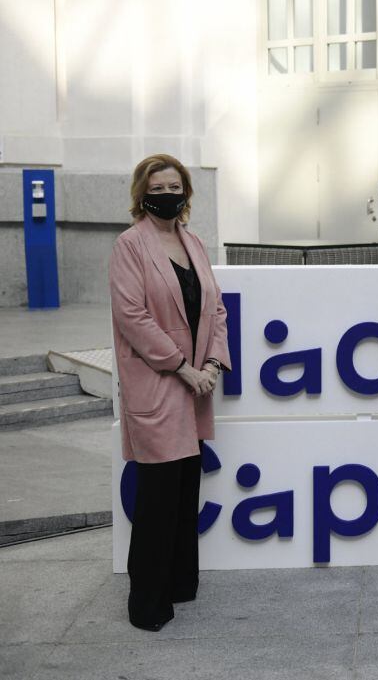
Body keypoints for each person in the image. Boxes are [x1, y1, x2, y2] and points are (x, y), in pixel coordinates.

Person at [109, 154, 231, 631]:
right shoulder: (129, 245)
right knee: (157, 499)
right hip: (158, 384)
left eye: (174, 186)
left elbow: (215, 309)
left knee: (184, 493)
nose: (167, 194)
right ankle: (147, 604)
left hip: (196, 385)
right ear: (143, 194)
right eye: (158, 188)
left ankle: (181, 585)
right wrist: (184, 369)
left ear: (186, 193)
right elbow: (132, 318)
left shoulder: (193, 241)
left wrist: (213, 364)